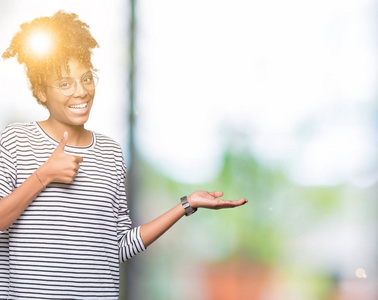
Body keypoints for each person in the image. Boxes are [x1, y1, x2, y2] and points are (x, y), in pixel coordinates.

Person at [0, 11, 247, 299]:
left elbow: (119, 246)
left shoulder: (110, 153)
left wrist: (186, 205)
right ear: (41, 92)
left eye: (87, 78)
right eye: (65, 84)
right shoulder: (15, 140)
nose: (81, 92)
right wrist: (45, 175)